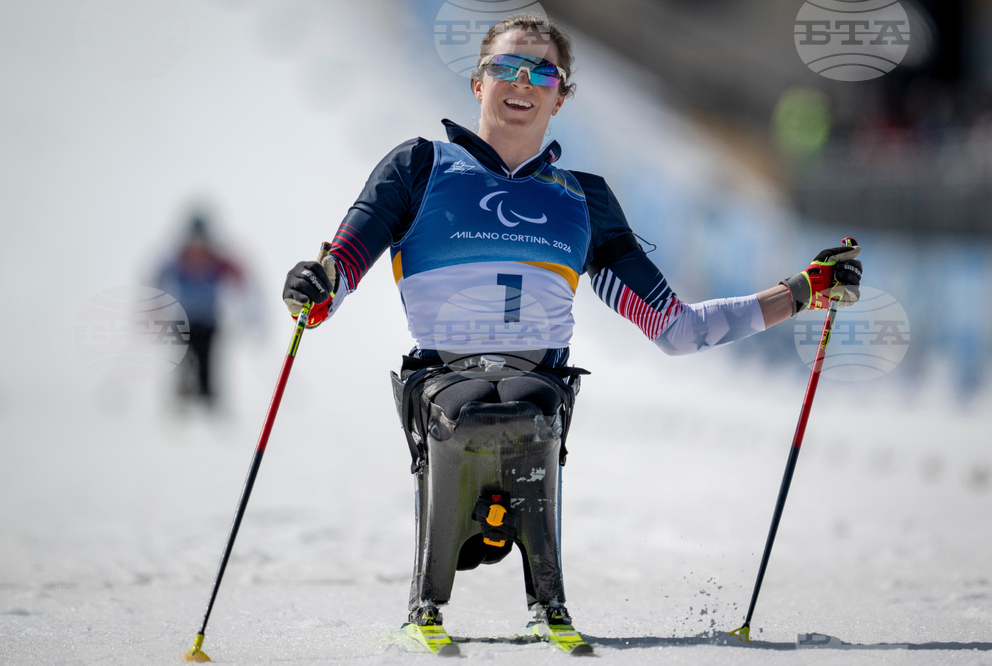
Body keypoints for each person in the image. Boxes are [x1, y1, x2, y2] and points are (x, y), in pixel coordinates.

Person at [281, 14, 862, 653]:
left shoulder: (582, 199)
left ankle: (548, 602)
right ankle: (426, 602)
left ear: (561, 96)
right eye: (506, 67)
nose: (522, 82)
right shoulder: (420, 167)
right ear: (478, 83)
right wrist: (316, 283)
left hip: (538, 382)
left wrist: (802, 291)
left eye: (542, 72)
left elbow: (676, 328)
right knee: (470, 411)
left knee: (529, 410)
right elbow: (340, 268)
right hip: (441, 379)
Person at [157, 212, 245, 409]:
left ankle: (207, 396)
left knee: (206, 360)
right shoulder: (178, 259)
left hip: (208, 322)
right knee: (184, 359)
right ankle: (183, 396)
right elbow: (159, 276)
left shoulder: (216, 260)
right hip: (184, 321)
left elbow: (238, 273)